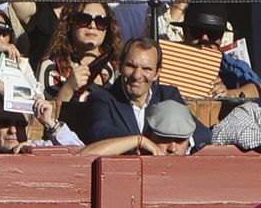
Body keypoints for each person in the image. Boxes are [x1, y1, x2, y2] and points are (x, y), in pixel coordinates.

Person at [83, 37, 212, 145]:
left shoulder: (168, 96)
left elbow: (202, 134)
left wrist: (178, 145)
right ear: (120, 66)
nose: (137, 75)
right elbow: (99, 133)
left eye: (146, 69)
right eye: (131, 66)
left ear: (157, 73)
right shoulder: (103, 97)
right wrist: (142, 142)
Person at [37, 0, 116, 102]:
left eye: (101, 21)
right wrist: (69, 87)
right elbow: (47, 109)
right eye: (84, 19)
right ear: (70, 24)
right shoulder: (52, 65)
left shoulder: (111, 68)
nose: (92, 26)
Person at [79, 98, 206, 157]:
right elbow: (84, 156)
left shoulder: (196, 158)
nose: (172, 148)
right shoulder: (137, 151)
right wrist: (139, 140)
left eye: (180, 140)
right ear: (150, 134)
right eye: (165, 139)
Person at [0, 93, 79, 153]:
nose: (13, 130)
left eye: (21, 124)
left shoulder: (40, 149)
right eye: (4, 122)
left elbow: (80, 154)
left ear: (29, 130)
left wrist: (50, 123)